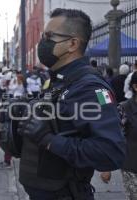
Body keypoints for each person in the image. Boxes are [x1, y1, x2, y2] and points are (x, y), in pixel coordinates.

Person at [15, 9, 126, 200]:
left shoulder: (89, 87)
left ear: (72, 43)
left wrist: (49, 140)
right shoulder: (60, 80)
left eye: (49, 36)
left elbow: (111, 152)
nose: (43, 42)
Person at [101, 71, 137, 199]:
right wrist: (106, 166)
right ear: (135, 86)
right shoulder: (124, 109)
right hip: (132, 167)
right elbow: (114, 137)